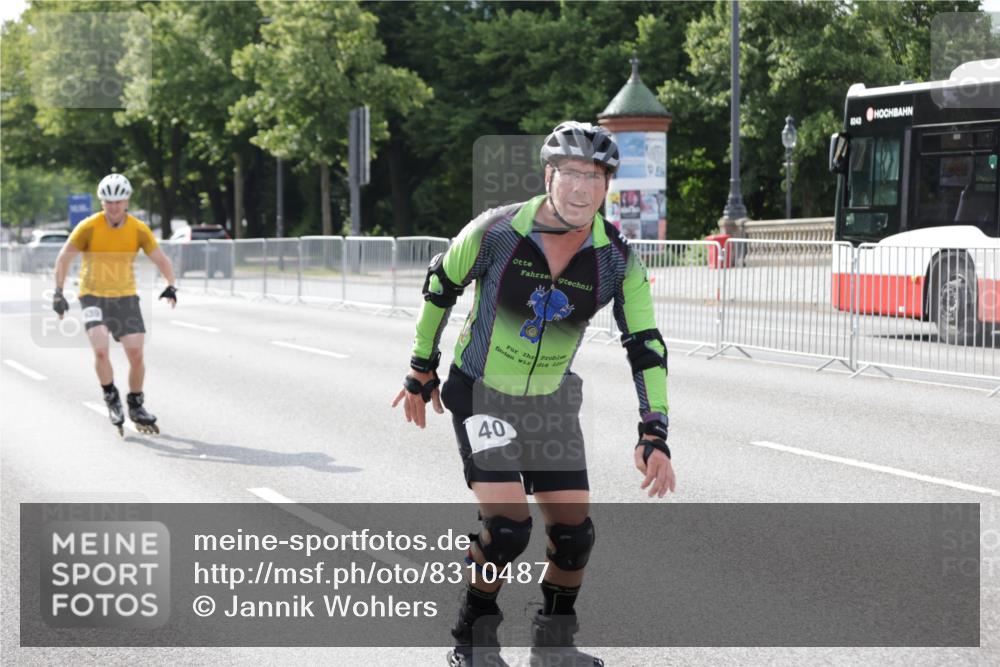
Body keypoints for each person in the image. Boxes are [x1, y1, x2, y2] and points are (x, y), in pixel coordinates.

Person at [392, 121, 675, 666]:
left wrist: (654, 429)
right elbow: (439, 284)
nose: (581, 188)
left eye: (595, 177)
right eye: (570, 173)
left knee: (574, 537)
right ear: (549, 175)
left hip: (550, 401)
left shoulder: (617, 258)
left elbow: (646, 343)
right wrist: (420, 367)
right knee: (507, 529)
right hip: (482, 393)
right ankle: (471, 643)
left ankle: (553, 648)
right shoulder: (496, 231)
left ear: (607, 186)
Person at [52, 173, 178, 435]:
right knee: (100, 349)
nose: (114, 207)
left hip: (125, 297)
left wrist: (171, 283)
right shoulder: (88, 226)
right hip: (93, 294)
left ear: (127, 201)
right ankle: (110, 396)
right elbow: (64, 258)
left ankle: (135, 403)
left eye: (119, 201)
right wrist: (58, 292)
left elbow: (161, 259)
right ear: (102, 203)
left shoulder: (138, 229)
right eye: (108, 202)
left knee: (136, 354)